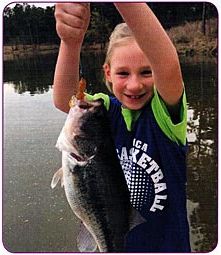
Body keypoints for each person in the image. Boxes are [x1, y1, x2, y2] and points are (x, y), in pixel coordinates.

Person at [53, 3, 190, 252]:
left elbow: (168, 66)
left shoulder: (164, 116)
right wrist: (70, 43)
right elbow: (65, 100)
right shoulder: (104, 111)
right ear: (108, 73)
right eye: (123, 73)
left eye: (147, 72)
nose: (134, 85)